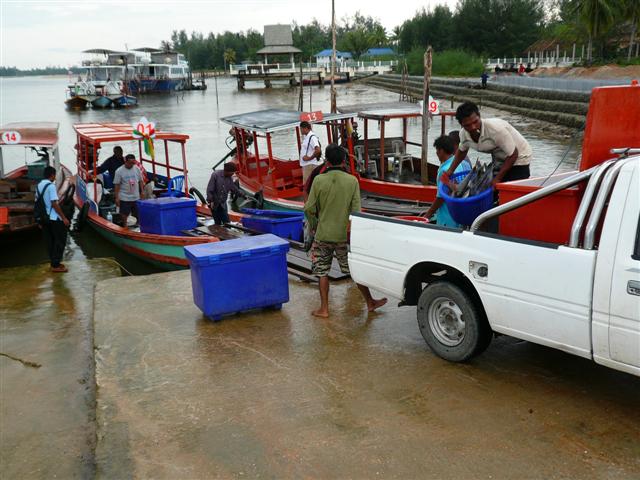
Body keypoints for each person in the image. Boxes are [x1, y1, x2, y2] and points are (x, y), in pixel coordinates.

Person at [304, 144, 387, 318]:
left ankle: (324, 309)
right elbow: (356, 212)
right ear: (343, 161)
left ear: (326, 161)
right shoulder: (352, 181)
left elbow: (309, 209)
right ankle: (370, 302)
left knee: (322, 271)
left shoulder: (319, 180)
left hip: (322, 234)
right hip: (343, 235)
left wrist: (314, 225)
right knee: (354, 271)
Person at [443, 101, 532, 187]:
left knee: (508, 189)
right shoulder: (463, 134)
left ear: (479, 116)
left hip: (519, 157)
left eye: (475, 122)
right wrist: (450, 171)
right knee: (488, 187)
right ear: (461, 124)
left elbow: (513, 154)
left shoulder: (495, 130)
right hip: (500, 156)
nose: (473, 127)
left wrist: (497, 179)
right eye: (467, 125)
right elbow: (462, 151)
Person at [420, 136, 471, 228]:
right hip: (464, 214)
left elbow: (441, 197)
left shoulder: (445, 170)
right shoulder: (464, 163)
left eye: (437, 150)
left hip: (448, 216)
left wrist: (428, 214)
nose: (436, 153)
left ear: (441, 151)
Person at [36, 166, 71, 272]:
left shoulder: (38, 186)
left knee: (50, 241)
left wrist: (38, 219)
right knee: (60, 240)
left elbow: (37, 203)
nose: (55, 177)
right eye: (54, 175)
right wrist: (64, 218)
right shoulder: (51, 186)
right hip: (53, 217)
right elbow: (54, 203)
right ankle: (55, 265)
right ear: (52, 175)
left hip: (43, 218)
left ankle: (54, 263)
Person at [113, 154, 144, 227]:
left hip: (135, 195)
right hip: (124, 196)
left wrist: (142, 191)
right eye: (130, 163)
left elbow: (140, 181)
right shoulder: (119, 171)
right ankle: (125, 225)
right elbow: (117, 184)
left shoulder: (137, 168)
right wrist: (117, 197)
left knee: (137, 212)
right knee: (124, 213)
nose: (131, 165)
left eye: (133, 163)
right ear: (125, 161)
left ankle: (138, 225)